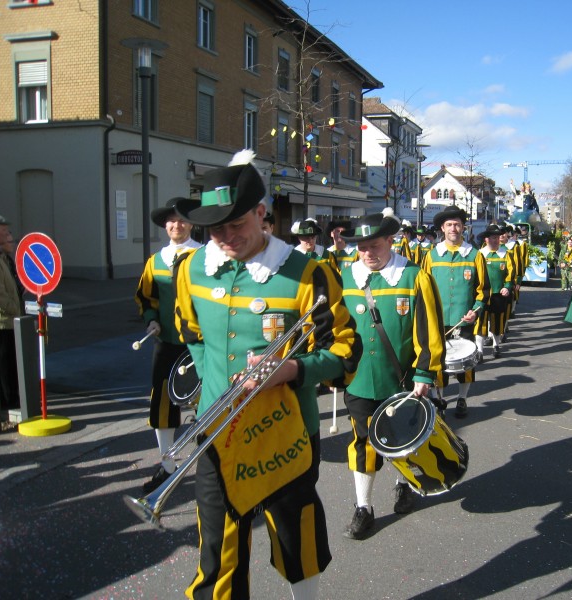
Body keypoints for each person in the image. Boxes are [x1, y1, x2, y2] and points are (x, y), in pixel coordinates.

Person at [173, 152, 361, 600]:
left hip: (286, 432)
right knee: (217, 546)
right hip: (217, 430)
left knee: (296, 536)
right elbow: (190, 333)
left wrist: (291, 369)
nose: (225, 238)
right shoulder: (192, 269)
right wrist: (213, 385)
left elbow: (345, 351)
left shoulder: (307, 273)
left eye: (236, 224)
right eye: (215, 229)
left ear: (262, 213)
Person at [337, 211, 445, 539]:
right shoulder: (346, 277)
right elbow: (336, 326)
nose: (368, 253)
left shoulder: (414, 277)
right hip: (360, 379)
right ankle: (363, 507)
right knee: (362, 443)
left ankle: (403, 485)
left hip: (403, 379)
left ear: (390, 240)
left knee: (404, 440)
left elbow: (429, 328)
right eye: (361, 247)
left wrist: (425, 373)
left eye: (374, 245)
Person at [134, 198, 202, 493]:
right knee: (161, 405)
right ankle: (168, 467)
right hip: (166, 343)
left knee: (207, 402)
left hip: (199, 344)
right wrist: (151, 320)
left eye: (182, 219)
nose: (177, 225)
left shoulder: (204, 256)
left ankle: (211, 465)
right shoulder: (155, 261)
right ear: (165, 226)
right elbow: (145, 297)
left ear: (191, 224)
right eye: (172, 220)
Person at [420, 205, 490, 417]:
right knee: (437, 361)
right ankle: (439, 400)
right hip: (437, 321)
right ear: (442, 228)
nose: (453, 228)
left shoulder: (474, 255)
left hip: (464, 320)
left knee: (465, 363)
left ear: (463, 227)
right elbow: (422, 289)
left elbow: (484, 290)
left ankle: (462, 398)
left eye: (457, 224)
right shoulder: (431, 256)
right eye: (449, 224)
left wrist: (475, 311)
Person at [476, 224, 514, 358]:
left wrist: (507, 287)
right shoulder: (479, 254)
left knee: (497, 321)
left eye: (497, 238)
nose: (496, 240)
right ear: (486, 239)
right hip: (482, 295)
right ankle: (479, 351)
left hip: (498, 295)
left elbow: (510, 273)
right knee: (481, 322)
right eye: (493, 238)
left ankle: (495, 346)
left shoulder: (505, 254)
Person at [0, 215, 21, 412]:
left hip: (10, 320)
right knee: (5, 364)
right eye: (5, 233)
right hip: (3, 322)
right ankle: (8, 402)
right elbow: (0, 296)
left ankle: (12, 398)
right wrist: (16, 308)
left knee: (12, 362)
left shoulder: (5, 259)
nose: (10, 237)